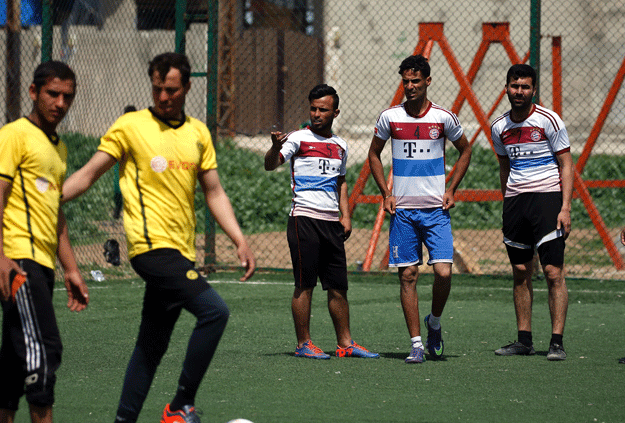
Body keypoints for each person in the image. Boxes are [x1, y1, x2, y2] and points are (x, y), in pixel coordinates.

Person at [62, 52, 255, 423]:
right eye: (157, 89)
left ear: (186, 87)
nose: (163, 96)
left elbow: (213, 191)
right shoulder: (131, 126)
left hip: (180, 254)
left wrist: (239, 238)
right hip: (151, 250)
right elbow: (88, 174)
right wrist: (49, 197)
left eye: (171, 89)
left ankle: (124, 420)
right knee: (214, 312)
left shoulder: (198, 133)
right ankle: (180, 405)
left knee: (150, 346)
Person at [0, 61, 89, 423]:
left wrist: (71, 269)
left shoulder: (59, 148)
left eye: (67, 96)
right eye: (53, 94)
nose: (60, 103)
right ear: (34, 92)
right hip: (17, 261)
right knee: (44, 349)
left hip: (40, 264)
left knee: (15, 357)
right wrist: (1, 258)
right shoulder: (14, 134)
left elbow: (55, 215)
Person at [368, 55, 472, 363]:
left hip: (435, 211)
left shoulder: (443, 117)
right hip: (403, 213)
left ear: (427, 81)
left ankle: (434, 323)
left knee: (443, 272)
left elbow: (465, 149)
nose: (410, 86)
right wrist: (385, 193)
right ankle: (415, 344)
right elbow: (374, 154)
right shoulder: (389, 117)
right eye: (406, 81)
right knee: (409, 275)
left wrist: (451, 188)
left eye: (416, 81)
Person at [265, 84, 379, 360]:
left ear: (335, 112)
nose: (316, 114)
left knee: (338, 287)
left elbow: (340, 181)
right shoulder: (297, 139)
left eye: (323, 110)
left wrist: (346, 215)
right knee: (305, 284)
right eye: (313, 109)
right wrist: (273, 148)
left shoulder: (340, 146)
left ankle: (346, 344)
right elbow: (271, 164)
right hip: (304, 219)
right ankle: (304, 343)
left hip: (331, 224)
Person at [491, 63, 573, 361]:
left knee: (553, 273)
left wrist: (565, 207)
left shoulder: (549, 120)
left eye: (525, 87)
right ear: (507, 88)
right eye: (515, 86)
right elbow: (504, 166)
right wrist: (508, 200)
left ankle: (556, 342)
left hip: (548, 200)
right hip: (516, 202)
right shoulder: (499, 126)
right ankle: (524, 340)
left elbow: (566, 164)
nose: (519, 92)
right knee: (521, 271)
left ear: (534, 89)